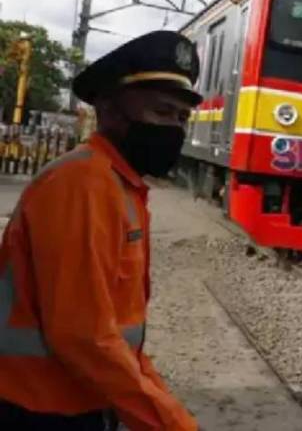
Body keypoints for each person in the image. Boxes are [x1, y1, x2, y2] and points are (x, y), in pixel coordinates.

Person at [0, 31, 201, 430]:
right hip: (38, 408)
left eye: (181, 118)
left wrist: (159, 402)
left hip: (80, 399)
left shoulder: (119, 184)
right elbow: (84, 336)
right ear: (110, 110)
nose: (174, 129)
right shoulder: (83, 185)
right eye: (162, 112)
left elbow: (114, 331)